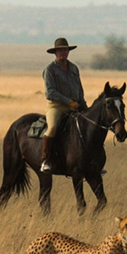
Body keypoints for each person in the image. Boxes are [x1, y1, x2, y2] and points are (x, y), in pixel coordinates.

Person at [41, 37, 86, 172]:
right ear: (55, 53)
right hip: (56, 107)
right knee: (53, 127)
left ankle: (91, 161)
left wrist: (83, 105)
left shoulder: (74, 68)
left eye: (65, 50)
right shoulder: (50, 69)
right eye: (60, 50)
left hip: (75, 106)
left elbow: (79, 89)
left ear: (68, 51)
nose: (63, 53)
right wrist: (68, 102)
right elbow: (50, 92)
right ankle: (45, 160)